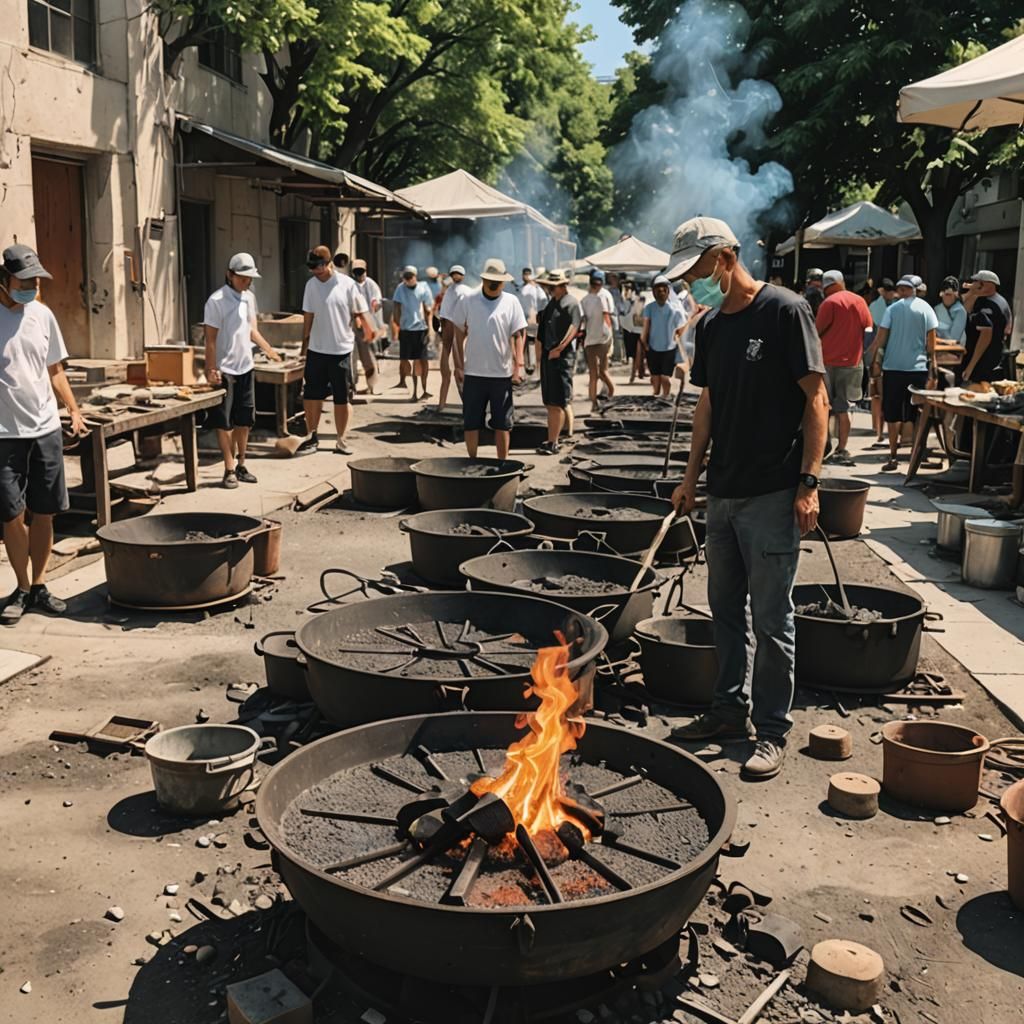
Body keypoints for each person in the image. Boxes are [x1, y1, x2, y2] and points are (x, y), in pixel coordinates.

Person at [666, 217, 828, 781]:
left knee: (771, 616)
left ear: (725, 257)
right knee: (724, 612)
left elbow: (817, 401)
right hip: (723, 494)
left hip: (772, 492)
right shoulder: (711, 326)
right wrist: (691, 478)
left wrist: (809, 483)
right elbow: (707, 404)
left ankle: (773, 729)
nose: (692, 284)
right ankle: (727, 712)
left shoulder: (785, 311)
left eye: (696, 272)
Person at [0, 244, 87, 623]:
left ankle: (39, 586)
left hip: (45, 428)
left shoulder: (43, 315)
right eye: (25, 281)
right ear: (4, 280)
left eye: (36, 280)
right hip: (4, 435)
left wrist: (74, 409)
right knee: (12, 515)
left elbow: (55, 370)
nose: (32, 287)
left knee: (46, 511)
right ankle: (19, 588)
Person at [203, 252, 282, 487]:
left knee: (244, 419)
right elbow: (210, 340)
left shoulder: (249, 298)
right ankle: (228, 468)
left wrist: (269, 349)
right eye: (242, 278)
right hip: (225, 368)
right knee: (224, 421)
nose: (246, 282)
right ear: (230, 275)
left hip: (245, 365)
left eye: (249, 278)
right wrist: (210, 368)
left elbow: (251, 329)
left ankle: (241, 464)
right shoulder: (216, 301)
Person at [297, 246, 373, 456]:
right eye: (312, 268)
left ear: (329, 263)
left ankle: (341, 439)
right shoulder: (311, 286)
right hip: (316, 349)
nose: (316, 271)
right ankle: (312, 435)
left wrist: (369, 329)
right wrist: (305, 343)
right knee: (312, 395)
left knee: (342, 397)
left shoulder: (347, 285)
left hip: (340, 350)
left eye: (319, 266)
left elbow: (360, 310)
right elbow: (308, 315)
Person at [452, 258, 527, 459]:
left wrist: (518, 364)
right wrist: (458, 365)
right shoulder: (468, 300)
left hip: (501, 373)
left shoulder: (511, 302)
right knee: (471, 422)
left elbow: (519, 334)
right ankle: (471, 460)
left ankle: (502, 463)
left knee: (502, 423)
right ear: (483, 279)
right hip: (473, 372)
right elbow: (458, 334)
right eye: (490, 280)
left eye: (498, 281)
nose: (494, 284)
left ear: (503, 282)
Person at [866, 274, 938, 472]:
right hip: (918, 369)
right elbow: (932, 341)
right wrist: (934, 364)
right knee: (916, 414)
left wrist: (873, 358)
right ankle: (915, 455)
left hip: (893, 368)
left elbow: (881, 337)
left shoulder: (892, 309)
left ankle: (893, 456)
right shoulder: (927, 309)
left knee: (892, 414)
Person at [816, 270, 872, 466]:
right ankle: (842, 448)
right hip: (853, 362)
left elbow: (817, 332)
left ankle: (824, 445)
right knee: (845, 407)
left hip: (828, 362)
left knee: (825, 406)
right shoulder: (859, 301)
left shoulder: (829, 303)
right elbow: (868, 328)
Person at [535, 269, 580, 455]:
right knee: (550, 402)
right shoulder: (550, 304)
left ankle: (554, 441)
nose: (551, 289)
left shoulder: (571, 304)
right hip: (549, 356)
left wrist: (559, 349)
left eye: (554, 287)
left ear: (563, 286)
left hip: (561, 358)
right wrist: (540, 357)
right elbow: (542, 330)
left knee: (558, 402)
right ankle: (551, 439)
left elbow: (574, 327)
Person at [391, 266, 434, 401]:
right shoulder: (400, 289)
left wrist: (430, 329)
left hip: (420, 329)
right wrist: (398, 324)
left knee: (421, 361)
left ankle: (424, 390)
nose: (409, 279)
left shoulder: (423, 287)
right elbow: (396, 306)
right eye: (406, 277)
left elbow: (428, 309)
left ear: (416, 276)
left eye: (411, 277)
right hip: (406, 330)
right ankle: (414, 391)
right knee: (406, 360)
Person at [640, 275, 686, 397]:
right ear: (654, 292)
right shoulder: (649, 308)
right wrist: (644, 343)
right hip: (653, 347)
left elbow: (682, 329)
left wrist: (679, 345)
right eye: (657, 291)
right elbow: (646, 326)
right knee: (655, 377)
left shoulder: (675, 310)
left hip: (669, 348)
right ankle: (656, 396)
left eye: (663, 290)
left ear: (667, 291)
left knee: (665, 378)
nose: (661, 293)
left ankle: (666, 396)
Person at [961, 270, 1010, 384]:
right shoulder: (998, 299)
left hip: (983, 360)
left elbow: (985, 336)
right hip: (995, 355)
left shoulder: (988, 307)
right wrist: (973, 293)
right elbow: (965, 312)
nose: (975, 284)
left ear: (988, 284)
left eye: (979, 283)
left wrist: (970, 366)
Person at [437, 263, 472, 411]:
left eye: (457, 274)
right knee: (453, 369)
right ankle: (448, 404)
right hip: (452, 328)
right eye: (454, 274)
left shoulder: (458, 291)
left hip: (453, 328)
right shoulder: (456, 291)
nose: (456, 276)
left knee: (455, 369)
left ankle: (445, 404)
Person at [866, 278, 897, 445]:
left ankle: (879, 429)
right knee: (877, 391)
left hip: (890, 350)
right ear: (881, 291)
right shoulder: (875, 306)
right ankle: (876, 427)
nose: (891, 293)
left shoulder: (895, 305)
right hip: (878, 350)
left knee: (882, 391)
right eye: (888, 290)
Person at [580, 270, 615, 411]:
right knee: (603, 371)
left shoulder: (585, 299)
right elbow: (608, 316)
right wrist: (611, 334)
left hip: (591, 339)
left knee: (593, 374)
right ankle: (611, 395)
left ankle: (594, 404)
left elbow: (583, 321)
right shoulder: (605, 295)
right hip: (603, 338)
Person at [350, 258, 382, 394]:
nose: (359, 274)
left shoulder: (371, 284)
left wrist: (375, 304)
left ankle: (371, 387)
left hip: (367, 324)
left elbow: (377, 300)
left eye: (361, 271)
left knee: (368, 357)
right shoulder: (350, 285)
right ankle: (352, 385)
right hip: (352, 324)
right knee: (351, 357)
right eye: (356, 272)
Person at [517, 267, 546, 374]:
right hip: (521, 318)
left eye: (528, 274)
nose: (526, 276)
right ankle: (524, 366)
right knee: (522, 342)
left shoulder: (535, 288)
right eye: (525, 274)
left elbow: (542, 301)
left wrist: (536, 314)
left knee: (531, 342)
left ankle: (533, 366)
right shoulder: (520, 287)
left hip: (532, 318)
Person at [933, 276, 966, 344]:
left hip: (955, 348)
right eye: (946, 294)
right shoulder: (937, 309)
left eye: (950, 295)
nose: (948, 298)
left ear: (956, 295)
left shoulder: (960, 311)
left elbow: (954, 338)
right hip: (937, 346)